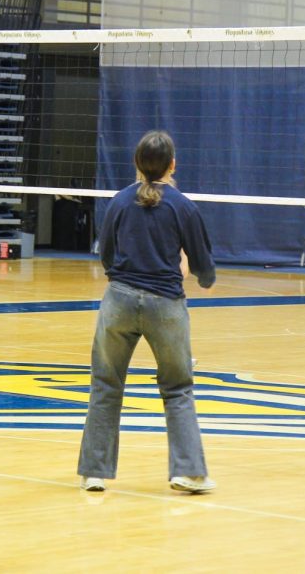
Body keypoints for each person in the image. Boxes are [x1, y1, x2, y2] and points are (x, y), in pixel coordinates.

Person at [78, 130, 217, 493]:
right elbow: (204, 268)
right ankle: (188, 472)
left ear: (137, 164)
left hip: (118, 301)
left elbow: (106, 255)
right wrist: (195, 274)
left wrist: (126, 277)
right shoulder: (184, 206)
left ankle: (94, 472)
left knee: (106, 386)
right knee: (178, 388)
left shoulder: (120, 202)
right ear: (173, 165)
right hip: (165, 305)